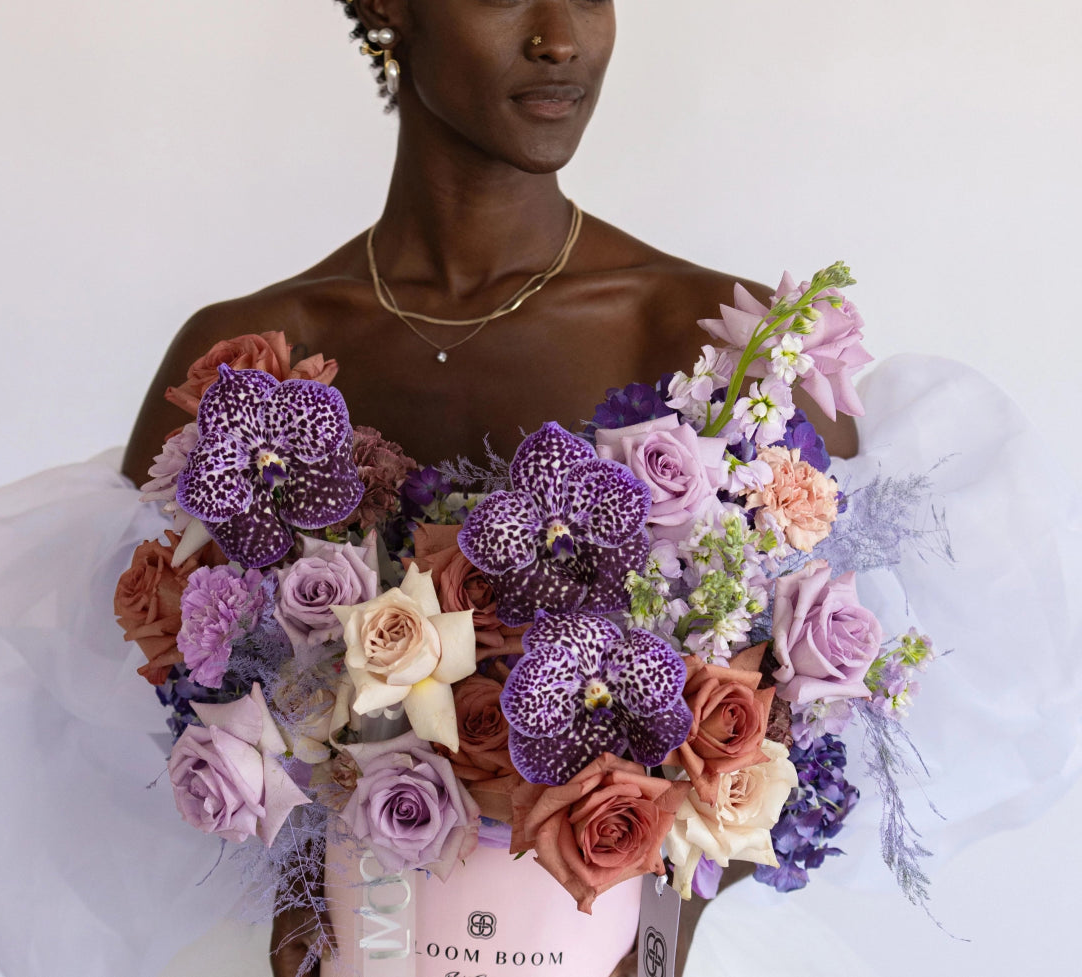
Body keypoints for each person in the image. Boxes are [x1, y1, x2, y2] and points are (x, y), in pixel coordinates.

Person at [120, 5, 855, 971]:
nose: (562, 37)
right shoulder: (248, 364)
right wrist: (301, 880)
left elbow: (816, 722)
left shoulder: (719, 350)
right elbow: (160, 697)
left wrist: (664, 926)